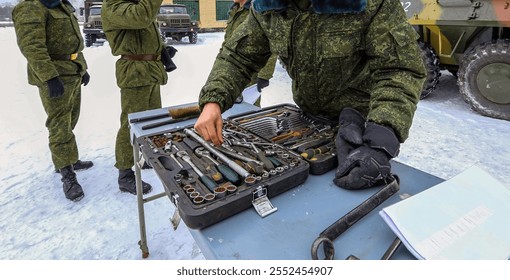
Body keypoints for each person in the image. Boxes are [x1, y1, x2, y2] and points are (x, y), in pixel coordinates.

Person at [194, 0, 426, 190]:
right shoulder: (268, 7)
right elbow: (238, 57)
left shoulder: (370, 4)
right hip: (308, 124)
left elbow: (398, 69)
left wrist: (380, 140)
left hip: (364, 129)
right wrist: (214, 100)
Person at [12, 0, 93, 202]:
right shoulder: (31, 6)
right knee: (59, 125)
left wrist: (83, 68)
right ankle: (67, 175)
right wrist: (49, 76)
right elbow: (32, 46)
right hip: (55, 76)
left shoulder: (60, 6)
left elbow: (74, 43)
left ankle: (70, 159)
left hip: (72, 71)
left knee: (70, 120)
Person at [102, 0, 173, 195]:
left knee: (152, 121)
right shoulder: (113, 6)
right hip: (135, 73)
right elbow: (141, 17)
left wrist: (162, 48)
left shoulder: (133, 4)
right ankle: (124, 174)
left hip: (150, 70)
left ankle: (146, 156)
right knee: (131, 124)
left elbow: (145, 30)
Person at [225, 0, 277, 106]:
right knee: (233, 107)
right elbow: (228, 40)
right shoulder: (234, 9)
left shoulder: (259, 8)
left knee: (249, 106)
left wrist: (264, 75)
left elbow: (271, 42)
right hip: (231, 69)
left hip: (250, 70)